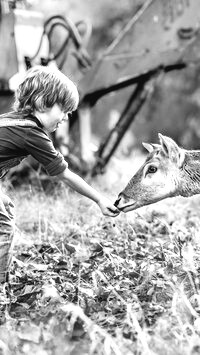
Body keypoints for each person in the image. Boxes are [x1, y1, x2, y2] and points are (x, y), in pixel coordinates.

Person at [0, 65, 120, 284]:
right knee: (5, 228)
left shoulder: (13, 121)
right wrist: (99, 199)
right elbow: (65, 175)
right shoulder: (32, 133)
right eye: (63, 110)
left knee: (5, 210)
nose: (65, 117)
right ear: (41, 102)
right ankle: (1, 285)